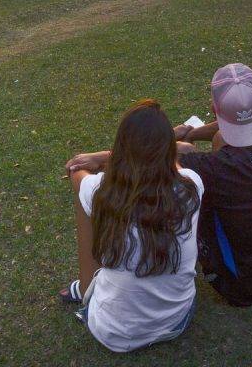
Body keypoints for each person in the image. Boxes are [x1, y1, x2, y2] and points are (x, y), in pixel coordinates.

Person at [70, 65, 252, 308]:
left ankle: (86, 287)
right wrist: (190, 133)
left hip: (246, 286)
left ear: (214, 109)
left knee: (187, 185)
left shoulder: (214, 169)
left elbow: (148, 159)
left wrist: (101, 157)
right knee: (221, 141)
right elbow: (223, 127)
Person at [59, 99, 203, 352]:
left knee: (84, 197)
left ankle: (84, 287)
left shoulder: (100, 190)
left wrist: (97, 159)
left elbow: (76, 170)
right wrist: (175, 144)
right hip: (175, 321)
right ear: (168, 150)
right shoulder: (191, 185)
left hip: (110, 331)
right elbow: (170, 164)